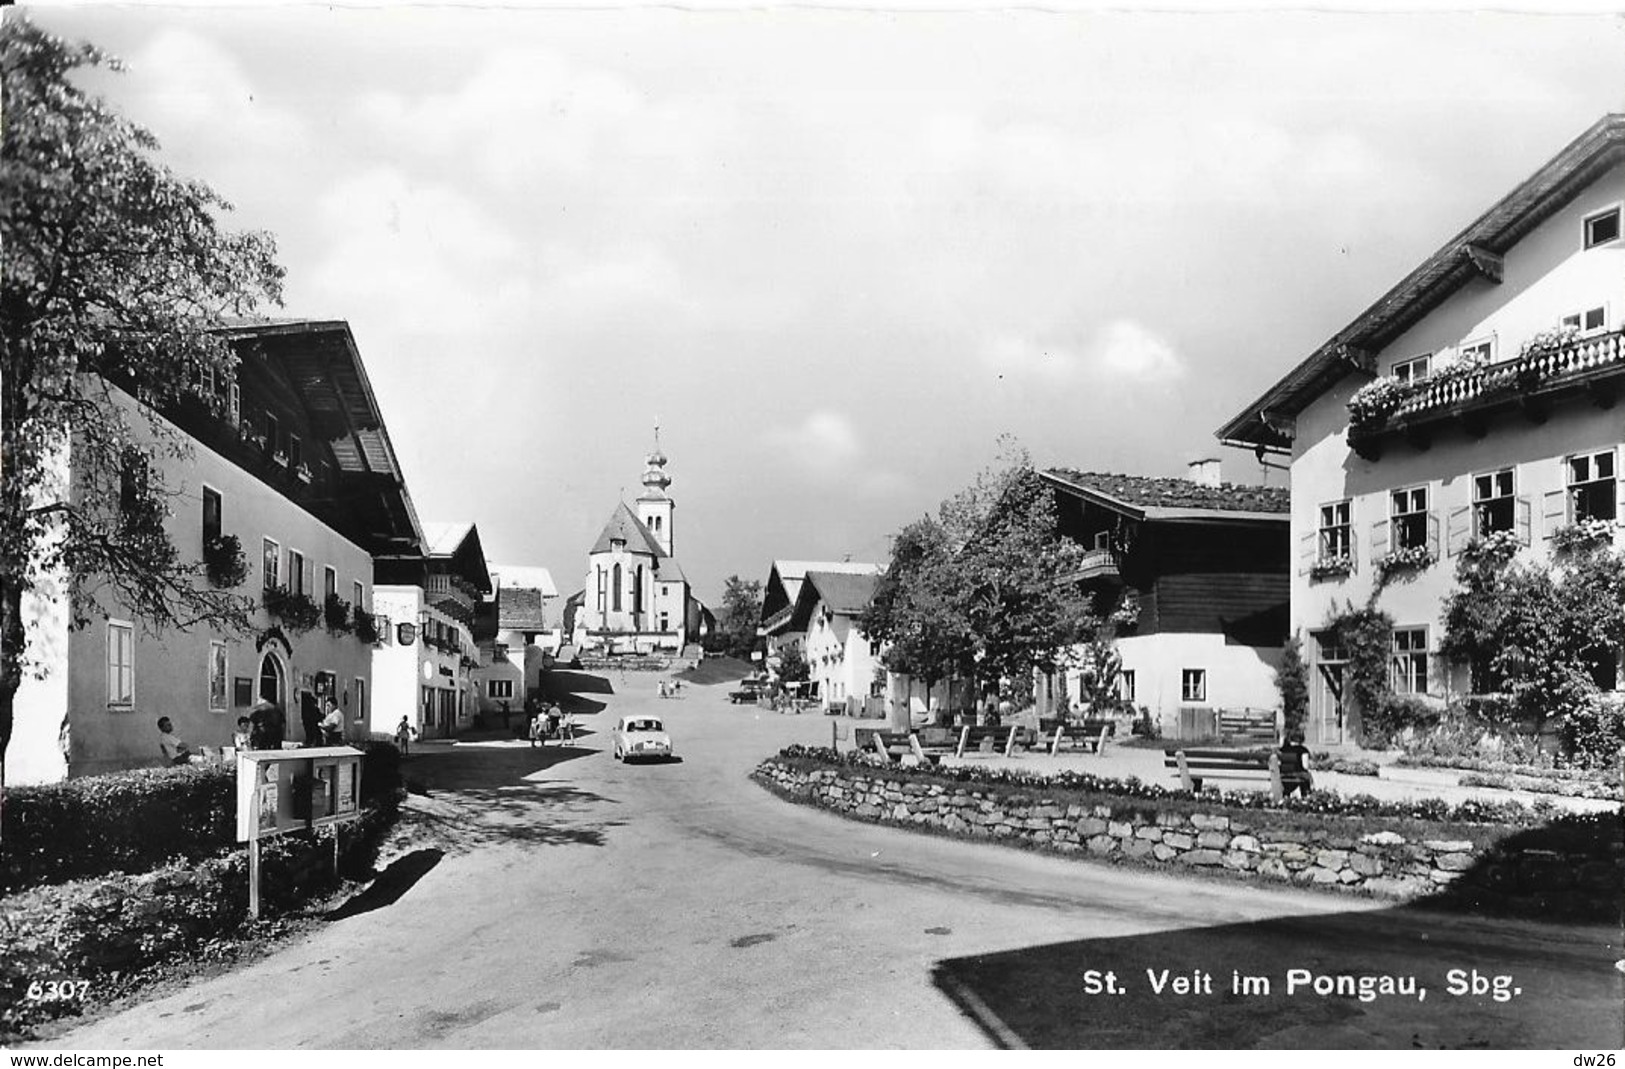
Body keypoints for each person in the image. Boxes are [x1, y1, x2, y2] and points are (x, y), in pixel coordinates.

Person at [1278, 732, 1314, 797]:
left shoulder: (1283, 749)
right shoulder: (1303, 750)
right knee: (1306, 776)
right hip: (1298, 775)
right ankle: (1305, 795)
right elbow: (1305, 766)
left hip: (1283, 775)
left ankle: (1286, 798)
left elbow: (1279, 763)